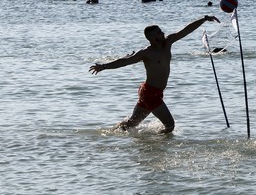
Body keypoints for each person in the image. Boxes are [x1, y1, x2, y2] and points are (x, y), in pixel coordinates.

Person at [89, 15, 220, 133]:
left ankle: (111, 133)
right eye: (159, 32)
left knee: (131, 123)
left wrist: (203, 19)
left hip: (152, 92)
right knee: (170, 126)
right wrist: (104, 66)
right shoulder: (146, 53)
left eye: (161, 31)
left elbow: (185, 31)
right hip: (150, 93)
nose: (163, 33)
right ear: (152, 38)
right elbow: (125, 61)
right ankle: (156, 146)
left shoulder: (168, 43)